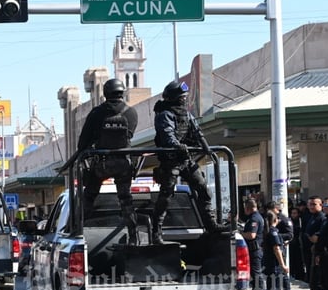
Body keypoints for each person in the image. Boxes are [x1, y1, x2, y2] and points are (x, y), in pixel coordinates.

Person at [152, 80, 227, 243]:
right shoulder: (165, 114)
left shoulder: (186, 114)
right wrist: (178, 146)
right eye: (181, 97)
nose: (184, 100)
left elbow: (197, 132)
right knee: (166, 196)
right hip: (171, 162)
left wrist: (206, 147)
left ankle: (211, 225)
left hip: (186, 160)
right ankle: (156, 232)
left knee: (204, 190)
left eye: (184, 97)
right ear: (174, 98)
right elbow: (167, 135)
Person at [77, 78, 139, 244]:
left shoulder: (97, 113)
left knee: (89, 195)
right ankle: (134, 235)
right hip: (124, 164)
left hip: (102, 164)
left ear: (105, 93)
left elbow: (82, 143)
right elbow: (130, 136)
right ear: (122, 92)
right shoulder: (131, 112)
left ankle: (76, 230)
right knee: (126, 199)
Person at [265, 200, 293, 290]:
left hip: (279, 248)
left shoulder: (283, 219)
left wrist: (276, 237)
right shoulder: (269, 219)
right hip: (271, 249)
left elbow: (290, 235)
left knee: (283, 275)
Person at [262, 210, 288, 290]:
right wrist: (283, 265)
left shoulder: (267, 231)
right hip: (274, 265)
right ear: (275, 220)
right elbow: (276, 249)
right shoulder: (273, 232)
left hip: (269, 264)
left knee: (272, 289)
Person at [241, 198, 266, 290]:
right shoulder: (253, 217)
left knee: (257, 277)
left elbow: (251, 235)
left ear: (247, 207)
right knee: (255, 277)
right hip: (253, 251)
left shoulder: (254, 218)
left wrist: (239, 232)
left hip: (255, 251)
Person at [301, 196, 325, 290]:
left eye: (314, 204)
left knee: (317, 280)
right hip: (309, 252)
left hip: (317, 253)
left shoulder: (322, 218)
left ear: (321, 205)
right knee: (312, 279)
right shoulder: (311, 216)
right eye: (310, 204)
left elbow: (319, 236)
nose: (311, 206)